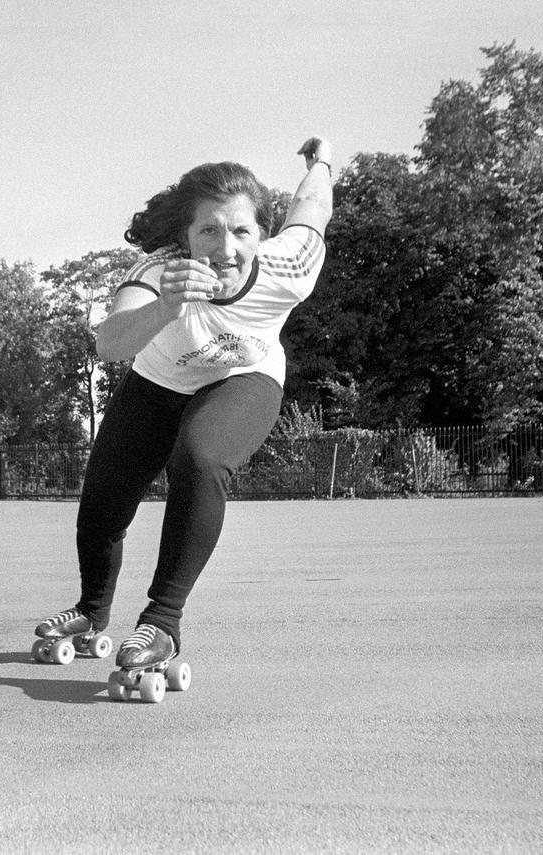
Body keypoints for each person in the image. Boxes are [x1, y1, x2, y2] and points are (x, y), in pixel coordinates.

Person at [35, 136, 335, 672]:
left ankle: (162, 623)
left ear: (261, 235)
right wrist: (168, 307)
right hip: (157, 383)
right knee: (105, 498)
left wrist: (322, 161)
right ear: (185, 238)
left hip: (244, 377)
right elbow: (109, 344)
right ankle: (90, 611)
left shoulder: (289, 266)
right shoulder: (159, 273)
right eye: (209, 230)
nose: (226, 248)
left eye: (241, 230)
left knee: (199, 458)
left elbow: (311, 208)